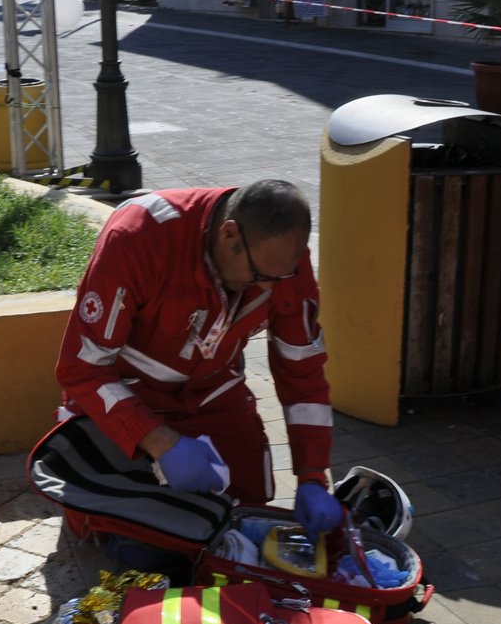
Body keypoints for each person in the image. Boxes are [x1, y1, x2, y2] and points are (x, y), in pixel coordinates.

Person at [54, 180, 343, 537]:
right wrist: (159, 441)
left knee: (248, 510)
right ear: (228, 234)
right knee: (124, 533)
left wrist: (312, 475)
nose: (268, 288)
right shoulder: (138, 238)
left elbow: (303, 372)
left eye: (279, 277)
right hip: (128, 394)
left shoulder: (283, 265)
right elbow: (82, 370)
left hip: (212, 394)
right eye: (259, 276)